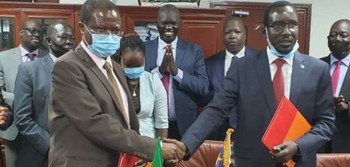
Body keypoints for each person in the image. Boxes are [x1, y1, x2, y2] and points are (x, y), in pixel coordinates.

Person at [171, 1, 335, 167]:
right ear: (265, 31)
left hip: (299, 162)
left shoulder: (318, 70)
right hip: (252, 161)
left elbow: (326, 123)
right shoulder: (242, 67)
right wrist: (186, 145)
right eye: (278, 25)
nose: (287, 32)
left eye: (292, 24)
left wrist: (298, 146)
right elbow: (216, 109)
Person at [48, 0, 183, 166]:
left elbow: (125, 121)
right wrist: (153, 148)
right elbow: (94, 122)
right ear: (83, 28)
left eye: (115, 30)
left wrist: (137, 155)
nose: (109, 36)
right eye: (101, 29)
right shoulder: (68, 67)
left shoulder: (117, 69)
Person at [13, 20, 75, 167]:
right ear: (48, 41)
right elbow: (22, 119)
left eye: (72, 38)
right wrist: (52, 147)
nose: (69, 42)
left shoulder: (81, 70)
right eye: (63, 37)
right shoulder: (29, 70)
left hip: (76, 154)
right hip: (40, 155)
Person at [144, 4, 208, 140]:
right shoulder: (144, 48)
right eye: (164, 23)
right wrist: (160, 71)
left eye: (173, 23)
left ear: (180, 24)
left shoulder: (194, 50)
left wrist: (177, 72)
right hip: (152, 125)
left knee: (184, 162)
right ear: (157, 24)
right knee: (154, 162)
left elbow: (203, 87)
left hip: (185, 126)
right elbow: (138, 85)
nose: (168, 27)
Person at [0, 19, 47, 167]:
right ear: (21, 33)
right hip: (14, 129)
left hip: (42, 132)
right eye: (32, 31)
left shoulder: (49, 57)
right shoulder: (3, 57)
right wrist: (23, 99)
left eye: (40, 32)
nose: (36, 35)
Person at [203, 16, 258, 140]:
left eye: (237, 32)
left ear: (245, 35)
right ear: (223, 36)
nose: (232, 36)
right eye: (228, 32)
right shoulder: (210, 64)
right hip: (217, 128)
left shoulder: (259, 60)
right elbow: (204, 96)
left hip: (250, 127)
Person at [116, 32, 168, 138]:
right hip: (119, 143)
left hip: (148, 144)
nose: (133, 70)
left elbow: (162, 124)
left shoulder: (153, 81)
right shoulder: (113, 80)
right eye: (128, 66)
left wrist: (159, 151)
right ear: (120, 60)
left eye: (137, 65)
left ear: (144, 59)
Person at [320, 19, 350, 153]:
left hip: (346, 142)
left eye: (343, 35)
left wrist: (347, 107)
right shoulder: (316, 66)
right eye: (332, 35)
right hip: (318, 141)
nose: (336, 39)